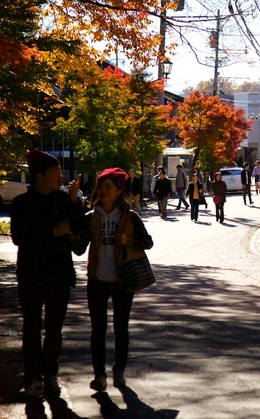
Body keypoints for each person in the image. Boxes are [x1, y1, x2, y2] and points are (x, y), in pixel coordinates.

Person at [10, 149, 86, 397]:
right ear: (40, 176)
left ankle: (50, 374)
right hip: (31, 273)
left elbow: (81, 240)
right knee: (31, 326)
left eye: (60, 171)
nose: (60, 176)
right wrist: (52, 232)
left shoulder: (67, 201)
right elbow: (18, 237)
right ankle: (32, 378)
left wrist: (75, 202)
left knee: (55, 328)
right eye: (54, 171)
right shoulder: (22, 204)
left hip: (60, 274)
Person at [84, 167, 154, 392]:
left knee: (120, 327)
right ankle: (99, 375)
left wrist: (128, 239)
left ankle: (119, 371)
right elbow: (78, 248)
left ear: (118, 191)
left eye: (108, 187)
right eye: (101, 187)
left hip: (123, 280)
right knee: (98, 329)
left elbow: (147, 242)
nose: (103, 191)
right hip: (96, 280)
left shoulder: (129, 216)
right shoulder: (91, 216)